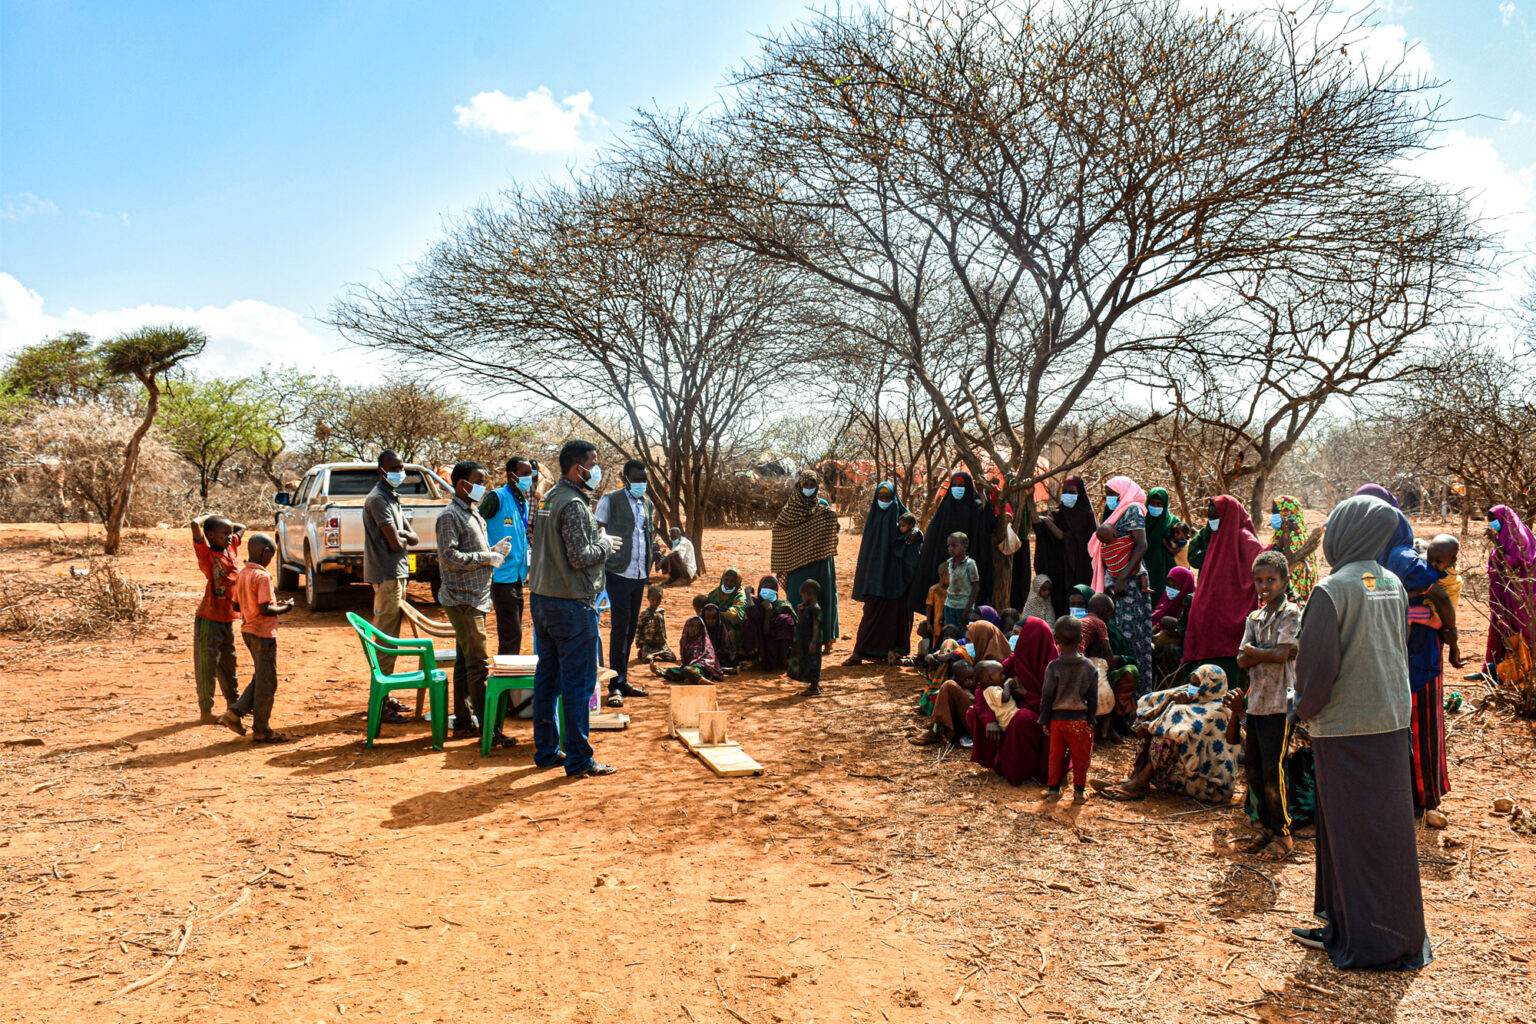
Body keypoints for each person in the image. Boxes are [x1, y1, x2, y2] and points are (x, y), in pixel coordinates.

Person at [1288, 495, 1431, 970]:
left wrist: (1298, 712)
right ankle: (1362, 926)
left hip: (1346, 728)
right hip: (1390, 722)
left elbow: (1317, 667)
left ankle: (1367, 941)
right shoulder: (1391, 581)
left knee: (1348, 832)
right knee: (1384, 831)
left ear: (1345, 532)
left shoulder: (1332, 589)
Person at [528, 440, 620, 777]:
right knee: (578, 684)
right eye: (592, 463)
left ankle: (547, 751)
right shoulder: (574, 505)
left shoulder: (549, 498)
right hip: (570, 604)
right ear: (575, 467)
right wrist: (605, 545)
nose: (595, 470)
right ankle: (579, 759)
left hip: (542, 599)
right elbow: (581, 556)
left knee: (547, 680)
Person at [436, 461, 514, 746]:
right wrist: (485, 558)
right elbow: (449, 556)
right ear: (462, 484)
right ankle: (488, 731)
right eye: (478, 481)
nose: (483, 486)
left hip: (475, 598)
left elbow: (471, 552)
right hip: (463, 599)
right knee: (479, 664)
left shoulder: (472, 513)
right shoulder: (450, 516)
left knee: (464, 664)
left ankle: (466, 721)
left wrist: (493, 552)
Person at [1235, 550, 1302, 859]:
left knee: (1275, 770)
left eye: (1271, 580)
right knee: (1255, 767)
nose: (1265, 586)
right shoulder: (1255, 617)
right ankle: (1264, 826)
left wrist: (1257, 652)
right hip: (1257, 701)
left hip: (1281, 702)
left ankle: (1283, 834)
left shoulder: (1291, 614)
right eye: (1259, 581)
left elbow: (1282, 653)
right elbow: (1241, 658)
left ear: (1284, 580)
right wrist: (1269, 652)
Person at [1098, 664, 1237, 804]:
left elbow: (1185, 731)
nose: (1192, 687)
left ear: (1210, 685)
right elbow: (1154, 700)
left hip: (1208, 785)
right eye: (1191, 683)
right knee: (1155, 728)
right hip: (1184, 777)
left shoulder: (1221, 709)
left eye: (1197, 684)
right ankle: (1136, 776)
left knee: (1165, 735)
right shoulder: (1196, 697)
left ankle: (1140, 783)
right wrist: (1173, 702)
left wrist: (1168, 716)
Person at [1180, 495, 1265, 684]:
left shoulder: (1242, 536)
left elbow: (1262, 559)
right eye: (1210, 516)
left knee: (1224, 670)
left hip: (1229, 612)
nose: (1212, 520)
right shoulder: (1213, 535)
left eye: (1215, 515)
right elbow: (1193, 556)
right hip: (1210, 607)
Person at [594, 459, 657, 708]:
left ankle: (622, 679)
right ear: (625, 477)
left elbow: (646, 535)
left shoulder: (647, 503)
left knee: (630, 628)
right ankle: (614, 686)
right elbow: (598, 531)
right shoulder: (610, 500)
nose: (641, 483)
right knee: (620, 629)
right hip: (618, 572)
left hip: (639, 574)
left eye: (644, 479)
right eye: (637, 479)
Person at [219, 532, 293, 741]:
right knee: (267, 682)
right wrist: (286, 608)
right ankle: (261, 729)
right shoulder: (262, 577)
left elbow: (235, 605)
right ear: (266, 553)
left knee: (262, 677)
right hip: (263, 633)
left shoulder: (242, 574)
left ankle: (235, 713)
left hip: (248, 631)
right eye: (271, 556)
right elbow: (266, 609)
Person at [969, 615, 1058, 785]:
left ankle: (1021, 769)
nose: (1014, 638)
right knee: (974, 712)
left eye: (1018, 634)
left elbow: (1055, 706)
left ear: (1031, 637)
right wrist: (989, 721)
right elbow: (983, 687)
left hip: (1044, 723)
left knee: (1022, 717)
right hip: (1013, 713)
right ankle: (997, 760)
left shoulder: (1054, 666)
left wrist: (1026, 696)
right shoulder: (1017, 658)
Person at [1088, 478, 1153, 693]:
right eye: (1107, 493)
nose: (1109, 498)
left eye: (1112, 493)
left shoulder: (1132, 509)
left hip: (1130, 583)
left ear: (1123, 492)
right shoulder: (1115, 513)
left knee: (1132, 636)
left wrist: (1123, 577)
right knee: (1118, 634)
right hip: (1117, 582)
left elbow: (1141, 545)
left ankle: (1136, 692)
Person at [847, 484, 923, 666]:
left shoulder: (902, 516)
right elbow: (867, 551)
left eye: (887, 497)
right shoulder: (873, 519)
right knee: (871, 613)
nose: (884, 500)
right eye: (880, 497)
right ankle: (860, 652)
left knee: (896, 616)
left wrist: (916, 533)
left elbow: (915, 532)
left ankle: (894, 652)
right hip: (875, 576)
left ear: (894, 497)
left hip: (897, 577)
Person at [909, 471, 998, 616]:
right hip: (945, 571)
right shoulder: (945, 509)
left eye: (961, 485)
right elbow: (933, 539)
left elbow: (988, 523)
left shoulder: (975, 507)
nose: (957, 488)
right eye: (954, 485)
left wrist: (982, 493)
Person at [772, 471, 841, 653]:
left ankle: (826, 639)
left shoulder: (824, 510)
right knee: (797, 600)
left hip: (821, 562)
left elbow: (834, 532)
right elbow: (779, 531)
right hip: (797, 564)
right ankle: (797, 639)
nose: (809, 489)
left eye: (812, 486)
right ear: (799, 487)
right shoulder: (789, 511)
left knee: (824, 598)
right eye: (806, 485)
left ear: (817, 487)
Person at [364, 450, 419, 673]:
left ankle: (385, 694)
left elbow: (413, 537)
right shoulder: (378, 499)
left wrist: (402, 536)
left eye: (401, 468)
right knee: (386, 637)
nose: (399, 473)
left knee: (392, 635)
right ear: (381, 471)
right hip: (387, 574)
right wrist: (403, 537)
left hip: (396, 572)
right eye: (393, 469)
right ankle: (382, 696)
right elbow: (396, 543)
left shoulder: (392, 497)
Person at [190, 513, 244, 724]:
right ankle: (206, 711)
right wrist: (211, 516)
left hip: (227, 619)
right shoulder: (207, 554)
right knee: (207, 665)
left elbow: (242, 526)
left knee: (229, 663)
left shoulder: (230, 549)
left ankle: (234, 706)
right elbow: (195, 524)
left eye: (231, 533)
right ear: (210, 534)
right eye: (224, 533)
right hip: (208, 618)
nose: (230, 536)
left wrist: (226, 525)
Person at [1039, 614, 1099, 802]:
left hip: (1057, 720)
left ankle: (1053, 791)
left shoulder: (1053, 667)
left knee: (1055, 756)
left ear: (1056, 640)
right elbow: (1092, 697)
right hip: (1080, 720)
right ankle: (1079, 792)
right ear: (1081, 639)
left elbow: (1047, 697)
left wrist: (1044, 719)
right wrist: (1091, 719)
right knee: (1081, 758)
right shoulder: (1089, 667)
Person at [479, 455, 534, 657]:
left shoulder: (523, 502)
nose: (529, 478)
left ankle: (508, 676)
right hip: (501, 575)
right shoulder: (497, 497)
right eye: (525, 474)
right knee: (511, 633)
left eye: (530, 474)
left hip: (518, 576)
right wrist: (489, 549)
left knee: (514, 633)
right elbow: (476, 523)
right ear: (512, 476)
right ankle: (505, 681)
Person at [1032, 476, 1097, 619]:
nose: (1068, 494)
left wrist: (1047, 522)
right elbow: (1039, 529)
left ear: (1079, 493)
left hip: (1079, 570)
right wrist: (1029, 498)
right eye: (1065, 491)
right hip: (1059, 570)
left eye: (1072, 492)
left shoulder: (1086, 515)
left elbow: (1065, 538)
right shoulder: (1058, 513)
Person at [1484, 505, 1536, 685]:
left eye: (1494, 520)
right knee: (1501, 625)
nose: (1492, 524)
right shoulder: (1503, 535)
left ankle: (1521, 670)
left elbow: (1519, 563)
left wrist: (1496, 545)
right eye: (1490, 521)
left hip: (1518, 593)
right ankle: (1496, 668)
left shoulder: (1519, 537)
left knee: (1518, 628)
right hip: (1502, 589)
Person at [1267, 495, 1320, 605]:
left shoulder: (1296, 540)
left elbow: (1287, 564)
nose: (1274, 517)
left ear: (1289, 513)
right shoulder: (1280, 535)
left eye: (1278, 513)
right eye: (1273, 513)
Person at [1151, 566, 1196, 691]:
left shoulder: (1191, 603)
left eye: (1176, 587)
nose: (1171, 590)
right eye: (1169, 585)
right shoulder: (1164, 605)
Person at [740, 574, 796, 671]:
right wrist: (748, 594)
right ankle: (754, 659)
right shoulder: (755, 601)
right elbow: (752, 615)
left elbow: (767, 632)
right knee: (750, 624)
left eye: (772, 588)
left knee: (786, 620)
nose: (768, 590)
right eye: (765, 587)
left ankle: (784, 658)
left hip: (774, 640)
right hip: (758, 639)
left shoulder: (782, 606)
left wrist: (769, 611)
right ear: (760, 588)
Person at [651, 614, 722, 683]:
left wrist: (694, 665)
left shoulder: (704, 642)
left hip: (701, 668)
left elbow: (709, 661)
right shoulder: (685, 641)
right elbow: (685, 661)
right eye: (691, 626)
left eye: (697, 627)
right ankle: (690, 679)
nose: (694, 629)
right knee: (673, 671)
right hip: (688, 666)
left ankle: (699, 679)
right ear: (687, 627)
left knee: (688, 670)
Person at [1143, 487, 1183, 596]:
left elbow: (1182, 540)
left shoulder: (1172, 522)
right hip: (1142, 565)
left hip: (1163, 567)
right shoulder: (1141, 519)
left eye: (1159, 504)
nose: (1155, 506)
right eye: (1152, 503)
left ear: (1164, 505)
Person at [788, 578, 824, 695]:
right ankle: (815, 684)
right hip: (806, 641)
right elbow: (801, 621)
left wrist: (813, 642)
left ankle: (814, 687)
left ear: (809, 595)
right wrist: (800, 610)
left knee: (813, 662)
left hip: (812, 642)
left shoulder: (815, 609)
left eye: (803, 596)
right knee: (809, 661)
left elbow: (815, 626)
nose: (802, 598)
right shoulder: (807, 608)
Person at [703, 567, 750, 655]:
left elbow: (736, 615)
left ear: (737, 583)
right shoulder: (715, 593)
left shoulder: (739, 596)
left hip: (733, 627)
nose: (728, 584)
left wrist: (719, 613)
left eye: (732, 581)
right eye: (726, 580)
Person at [941, 532, 981, 632]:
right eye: (949, 545)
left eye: (954, 545)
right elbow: (947, 587)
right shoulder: (949, 563)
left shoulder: (970, 564)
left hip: (964, 606)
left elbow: (975, 587)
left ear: (965, 547)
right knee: (951, 633)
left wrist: (967, 611)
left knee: (964, 634)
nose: (950, 548)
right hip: (949, 605)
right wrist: (943, 610)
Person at [635, 585, 675, 663]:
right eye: (653, 600)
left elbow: (663, 628)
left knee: (672, 658)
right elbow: (639, 628)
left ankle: (654, 654)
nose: (655, 602)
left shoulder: (661, 612)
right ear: (648, 598)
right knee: (647, 660)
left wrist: (664, 639)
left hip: (661, 644)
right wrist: (639, 643)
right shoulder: (644, 613)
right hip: (648, 644)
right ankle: (643, 651)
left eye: (658, 600)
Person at [701, 602, 738, 672]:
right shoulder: (701, 631)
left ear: (718, 618)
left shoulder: (721, 631)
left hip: (720, 658)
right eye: (708, 619)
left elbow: (726, 648)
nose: (710, 621)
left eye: (713, 618)